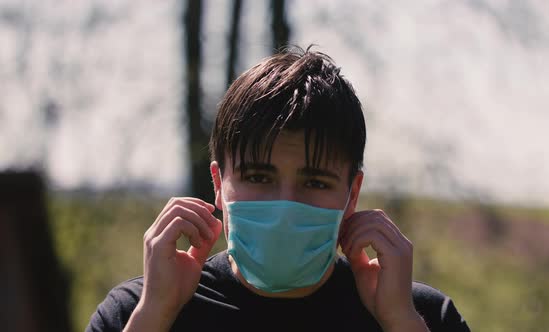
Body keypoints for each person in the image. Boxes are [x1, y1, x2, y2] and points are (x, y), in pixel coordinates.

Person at [86, 46, 471, 332]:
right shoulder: (136, 311)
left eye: (315, 182)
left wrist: (399, 320)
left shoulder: (421, 315)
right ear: (219, 185)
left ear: (352, 195)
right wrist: (155, 316)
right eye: (258, 177)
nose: (285, 202)